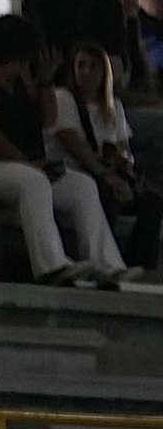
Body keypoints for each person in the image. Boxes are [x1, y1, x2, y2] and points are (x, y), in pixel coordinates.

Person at [0, 16, 133, 287]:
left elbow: (49, 121)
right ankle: (50, 265)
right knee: (32, 180)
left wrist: (45, 82)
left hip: (13, 168)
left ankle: (107, 265)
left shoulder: (19, 80)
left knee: (81, 186)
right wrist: (29, 164)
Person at [48, 42, 162, 272]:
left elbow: (123, 145)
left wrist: (123, 160)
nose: (87, 72)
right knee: (107, 195)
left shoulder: (113, 106)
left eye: (94, 66)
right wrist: (105, 174)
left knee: (153, 202)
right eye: (81, 65)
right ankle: (102, 262)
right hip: (76, 171)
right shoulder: (63, 99)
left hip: (109, 171)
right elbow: (73, 144)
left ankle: (138, 262)